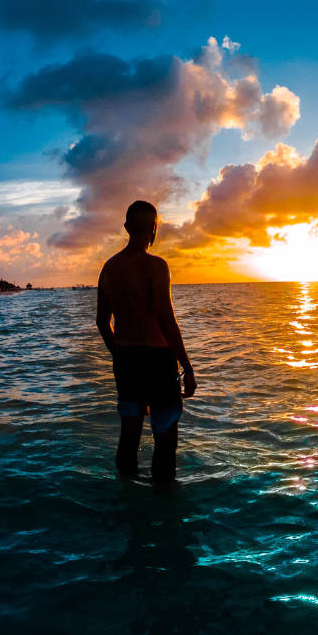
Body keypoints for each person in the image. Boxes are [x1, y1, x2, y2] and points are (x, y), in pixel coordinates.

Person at [96, 200, 196, 486]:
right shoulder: (156, 266)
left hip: (126, 360)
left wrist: (119, 353)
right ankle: (163, 505)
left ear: (127, 227)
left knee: (129, 435)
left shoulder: (109, 269)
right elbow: (165, 319)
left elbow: (102, 323)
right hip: (156, 361)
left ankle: (126, 495)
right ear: (154, 229)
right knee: (165, 438)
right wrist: (187, 367)